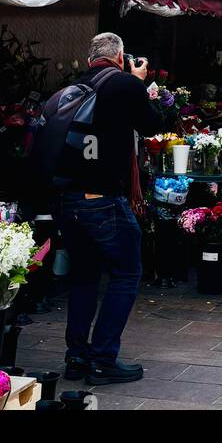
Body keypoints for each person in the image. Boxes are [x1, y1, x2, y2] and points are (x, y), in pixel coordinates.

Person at [46, 32, 164, 385]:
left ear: (88, 61)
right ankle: (103, 358)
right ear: (121, 57)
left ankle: (78, 356)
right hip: (102, 200)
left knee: (84, 276)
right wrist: (138, 82)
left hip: (66, 199)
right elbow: (153, 125)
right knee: (127, 272)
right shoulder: (124, 84)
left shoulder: (75, 87)